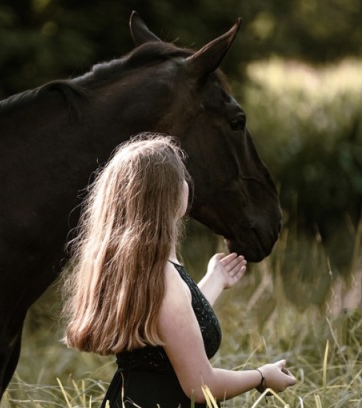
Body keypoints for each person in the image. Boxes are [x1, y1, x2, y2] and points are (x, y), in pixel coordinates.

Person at [61, 133, 296, 407]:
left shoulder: (134, 269)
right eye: (181, 179)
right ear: (174, 196)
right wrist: (261, 377)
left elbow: (171, 328)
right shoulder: (164, 279)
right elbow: (200, 385)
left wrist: (214, 280)